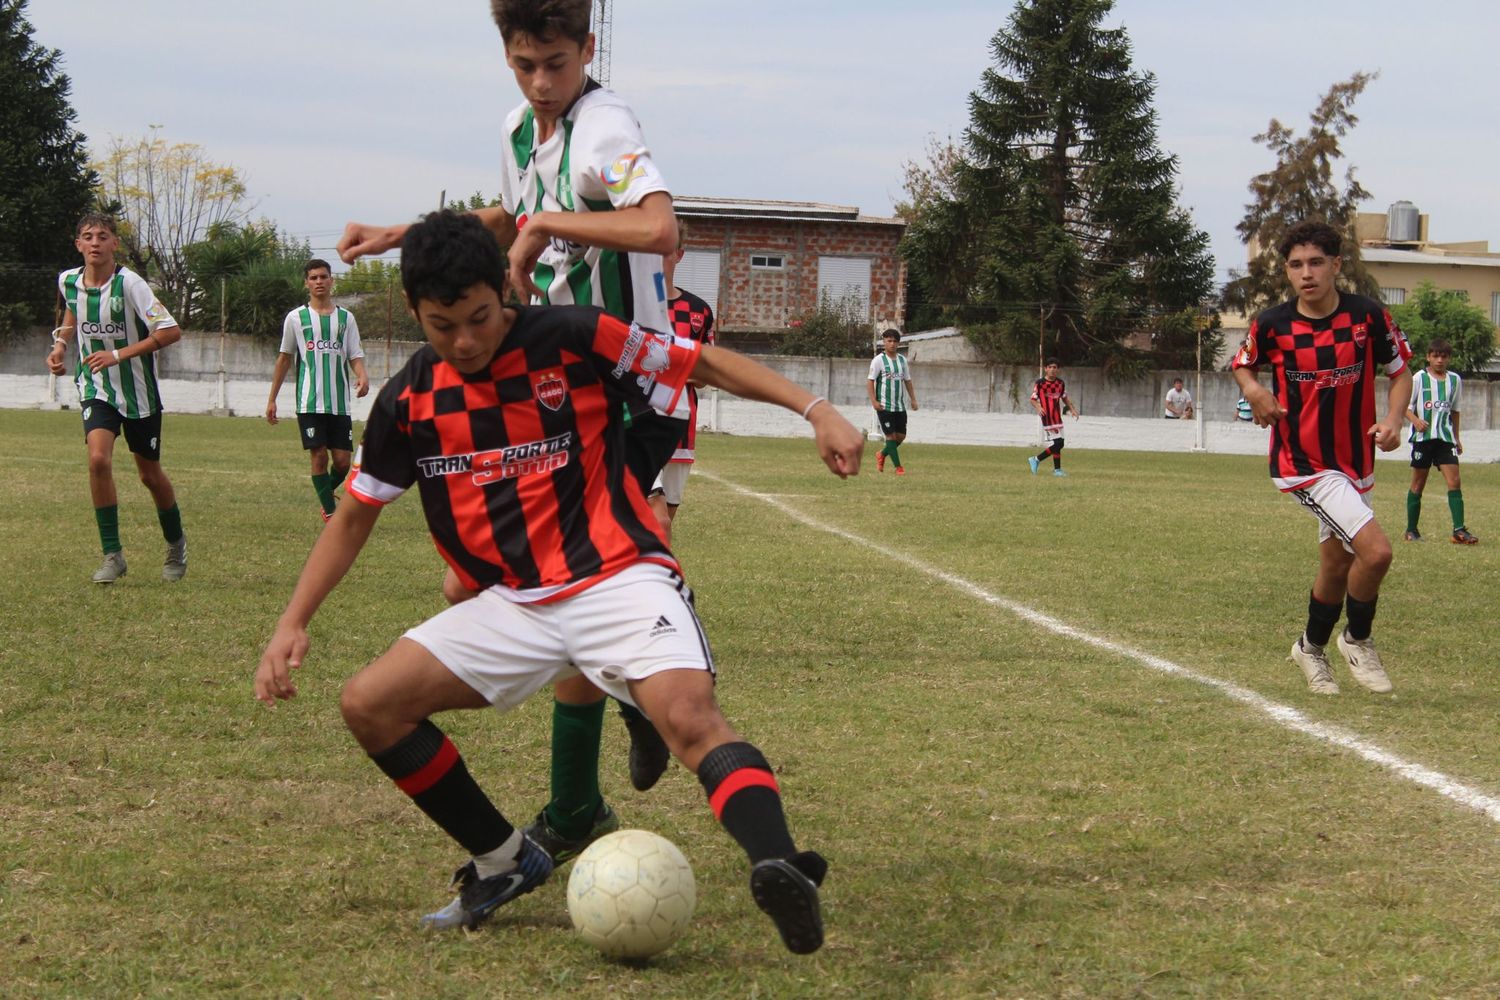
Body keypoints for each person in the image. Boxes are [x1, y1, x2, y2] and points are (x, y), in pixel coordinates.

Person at [254, 210, 862, 952]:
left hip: (617, 576)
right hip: (516, 604)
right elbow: (352, 517)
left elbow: (696, 362)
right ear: (415, 311)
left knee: (691, 720)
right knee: (370, 705)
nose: (466, 340)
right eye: (443, 325)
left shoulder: (569, 336)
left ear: (501, 294)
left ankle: (779, 864)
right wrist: (292, 622)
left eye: (480, 317)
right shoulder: (409, 399)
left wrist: (817, 409)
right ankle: (505, 859)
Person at [335, 0, 682, 860]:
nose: (540, 82)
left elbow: (659, 227)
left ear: (587, 50)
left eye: (556, 64)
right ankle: (599, 755)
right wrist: (403, 235)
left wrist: (548, 231)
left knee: (559, 585)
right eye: (524, 64)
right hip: (556, 394)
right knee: (498, 587)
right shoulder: (522, 131)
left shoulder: (604, 127)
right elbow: (505, 216)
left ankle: (581, 791)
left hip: (625, 396)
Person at [1231, 220, 1412, 696]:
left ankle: (1310, 648)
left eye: (1315, 262)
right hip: (1304, 464)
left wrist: (1393, 419)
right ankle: (1358, 639)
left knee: (1336, 564)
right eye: (1295, 265)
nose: (1306, 273)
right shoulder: (1272, 324)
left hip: (1356, 463)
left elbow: (1399, 372)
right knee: (1376, 552)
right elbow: (1242, 365)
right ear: (1287, 272)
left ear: (1336, 265)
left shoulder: (1367, 316)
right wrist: (1255, 392)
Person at [46, 213, 188, 585]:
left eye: (103, 236)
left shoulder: (131, 284)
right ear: (78, 245)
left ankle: (176, 544)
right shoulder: (69, 281)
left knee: (149, 475)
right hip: (97, 388)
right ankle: (113, 554)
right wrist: (61, 344)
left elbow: (171, 331)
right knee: (97, 459)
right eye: (87, 236)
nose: (95, 242)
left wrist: (119, 354)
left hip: (139, 394)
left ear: (114, 244)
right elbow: (73, 309)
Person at [266, 259, 370, 522]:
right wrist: (272, 399)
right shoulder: (295, 318)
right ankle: (332, 514)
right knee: (319, 456)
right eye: (313, 278)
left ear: (331, 280)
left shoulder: (346, 319)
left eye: (323, 277)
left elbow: (355, 354)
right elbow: (285, 358)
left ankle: (325, 496)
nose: (319, 282)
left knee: (343, 462)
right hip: (309, 401)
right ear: (306, 283)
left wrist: (362, 376)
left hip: (339, 403)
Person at [647, 222, 715, 542]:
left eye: (666, 248)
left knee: (665, 524)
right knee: (656, 521)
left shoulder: (699, 311)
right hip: (639, 426)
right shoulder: (631, 306)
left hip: (681, 427)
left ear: (679, 254)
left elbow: (706, 374)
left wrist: (667, 368)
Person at [1402, 339, 1478, 544]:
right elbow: (1404, 407)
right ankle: (1411, 530)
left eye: (1443, 356)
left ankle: (1459, 531)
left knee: (1455, 481)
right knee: (1418, 484)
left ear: (1448, 358)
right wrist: (1416, 420)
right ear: (1428, 357)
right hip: (1423, 440)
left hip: (1445, 439)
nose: (1439, 360)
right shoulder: (1419, 378)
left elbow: (1455, 411)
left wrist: (1457, 437)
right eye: (1435, 356)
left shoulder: (1455, 380)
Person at [867, 329, 918, 474]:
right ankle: (898, 468)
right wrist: (874, 401)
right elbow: (870, 381)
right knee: (890, 436)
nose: (892, 344)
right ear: (884, 342)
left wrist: (913, 400)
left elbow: (907, 381)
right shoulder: (878, 360)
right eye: (889, 341)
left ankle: (882, 454)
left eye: (895, 341)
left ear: (898, 343)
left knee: (900, 436)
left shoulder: (902, 360)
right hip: (884, 406)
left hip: (899, 406)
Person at [1027, 358, 1079, 477]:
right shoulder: (1040, 383)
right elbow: (1032, 399)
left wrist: (1072, 409)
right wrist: (1039, 407)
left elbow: (1064, 397)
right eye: (1049, 367)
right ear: (1045, 369)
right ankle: (1036, 459)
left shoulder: (1060, 383)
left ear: (1058, 370)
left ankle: (1057, 470)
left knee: (1059, 443)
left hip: (1057, 417)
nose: (1052, 369)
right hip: (1047, 417)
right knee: (1059, 443)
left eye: (1054, 367)